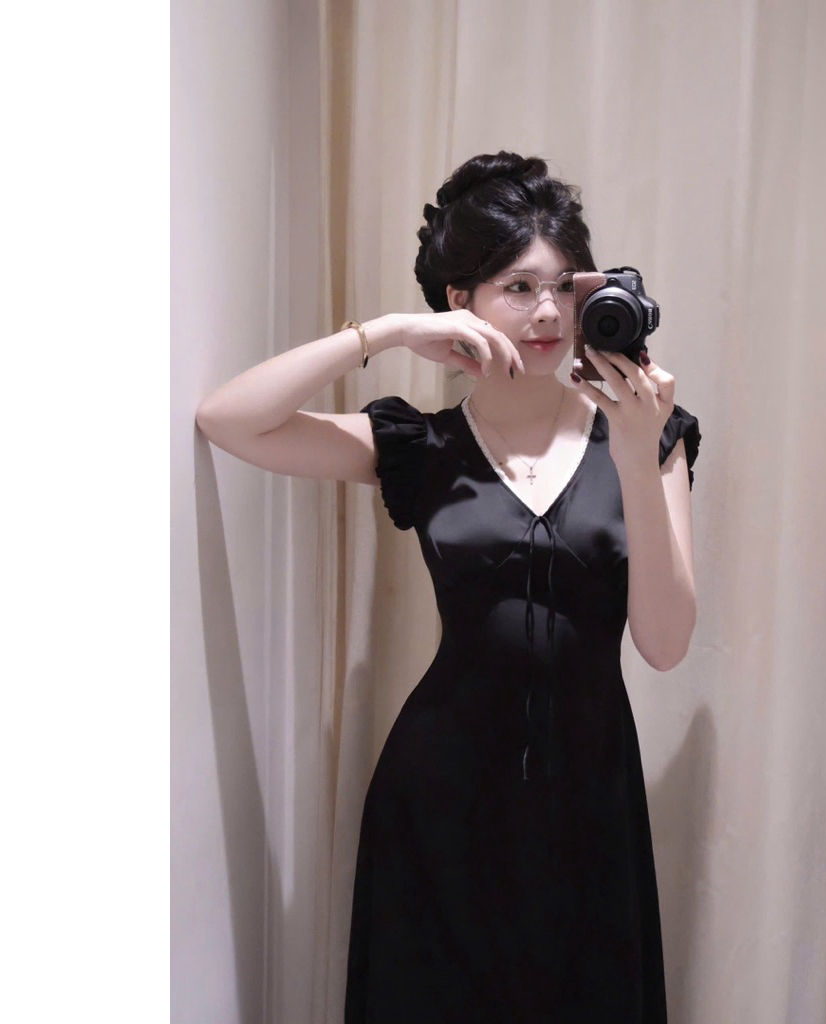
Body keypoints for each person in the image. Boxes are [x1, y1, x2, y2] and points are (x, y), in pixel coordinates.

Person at [196, 151, 701, 1023]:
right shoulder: (420, 447)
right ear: (461, 301)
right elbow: (229, 419)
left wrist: (632, 453)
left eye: (563, 286)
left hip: (592, 803)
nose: (548, 312)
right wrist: (388, 332)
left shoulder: (654, 437)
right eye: (517, 287)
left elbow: (664, 643)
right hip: (439, 802)